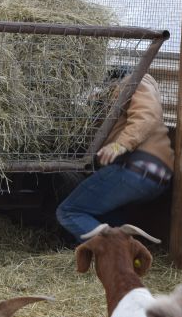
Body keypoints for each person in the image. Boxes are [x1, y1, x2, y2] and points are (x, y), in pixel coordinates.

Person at [56, 71, 174, 242]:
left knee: (70, 211)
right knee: (109, 218)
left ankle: (113, 251)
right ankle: (120, 258)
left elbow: (147, 115)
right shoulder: (110, 99)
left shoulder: (135, 80)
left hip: (135, 169)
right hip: (150, 176)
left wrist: (122, 144)